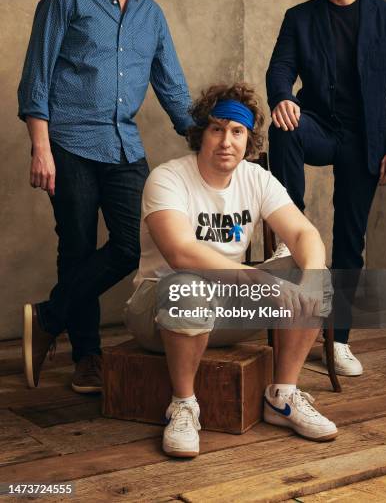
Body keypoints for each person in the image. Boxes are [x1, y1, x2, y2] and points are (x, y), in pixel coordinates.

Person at [18, 0, 192, 393]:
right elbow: (37, 74)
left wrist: (211, 136)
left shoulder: (150, 15)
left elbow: (173, 88)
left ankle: (49, 316)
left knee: (131, 247)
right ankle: (87, 358)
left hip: (123, 147)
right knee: (75, 248)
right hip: (69, 141)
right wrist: (40, 146)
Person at [125, 83, 337, 458]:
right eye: (217, 128)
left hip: (226, 309)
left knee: (313, 269)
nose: (227, 141)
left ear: (248, 139)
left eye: (237, 131)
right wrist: (259, 279)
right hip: (158, 313)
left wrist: (311, 278)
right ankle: (184, 404)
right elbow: (181, 252)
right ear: (201, 134)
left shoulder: (257, 179)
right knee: (186, 285)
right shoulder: (168, 178)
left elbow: (304, 232)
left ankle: (282, 397)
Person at [267, 0, 386, 376]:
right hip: (319, 126)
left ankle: (339, 339)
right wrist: (283, 97)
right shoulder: (300, 16)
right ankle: (291, 220)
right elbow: (279, 69)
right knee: (283, 126)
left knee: (350, 242)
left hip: (366, 138)